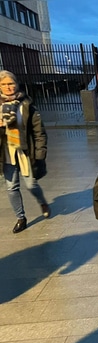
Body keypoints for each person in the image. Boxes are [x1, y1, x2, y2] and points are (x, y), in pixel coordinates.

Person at [0, 70, 50, 234]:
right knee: (11, 187)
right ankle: (21, 217)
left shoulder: (26, 104)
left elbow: (39, 131)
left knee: (31, 184)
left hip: (25, 152)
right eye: (4, 84)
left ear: (16, 84)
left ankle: (42, 201)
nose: (8, 87)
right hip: (6, 153)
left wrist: (40, 152)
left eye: (11, 83)